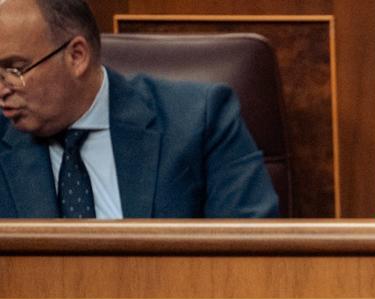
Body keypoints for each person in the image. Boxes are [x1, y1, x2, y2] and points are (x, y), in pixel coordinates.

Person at [0, 0, 278, 218]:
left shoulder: (200, 119)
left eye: (14, 69)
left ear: (76, 56)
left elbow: (248, 255)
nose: (3, 90)